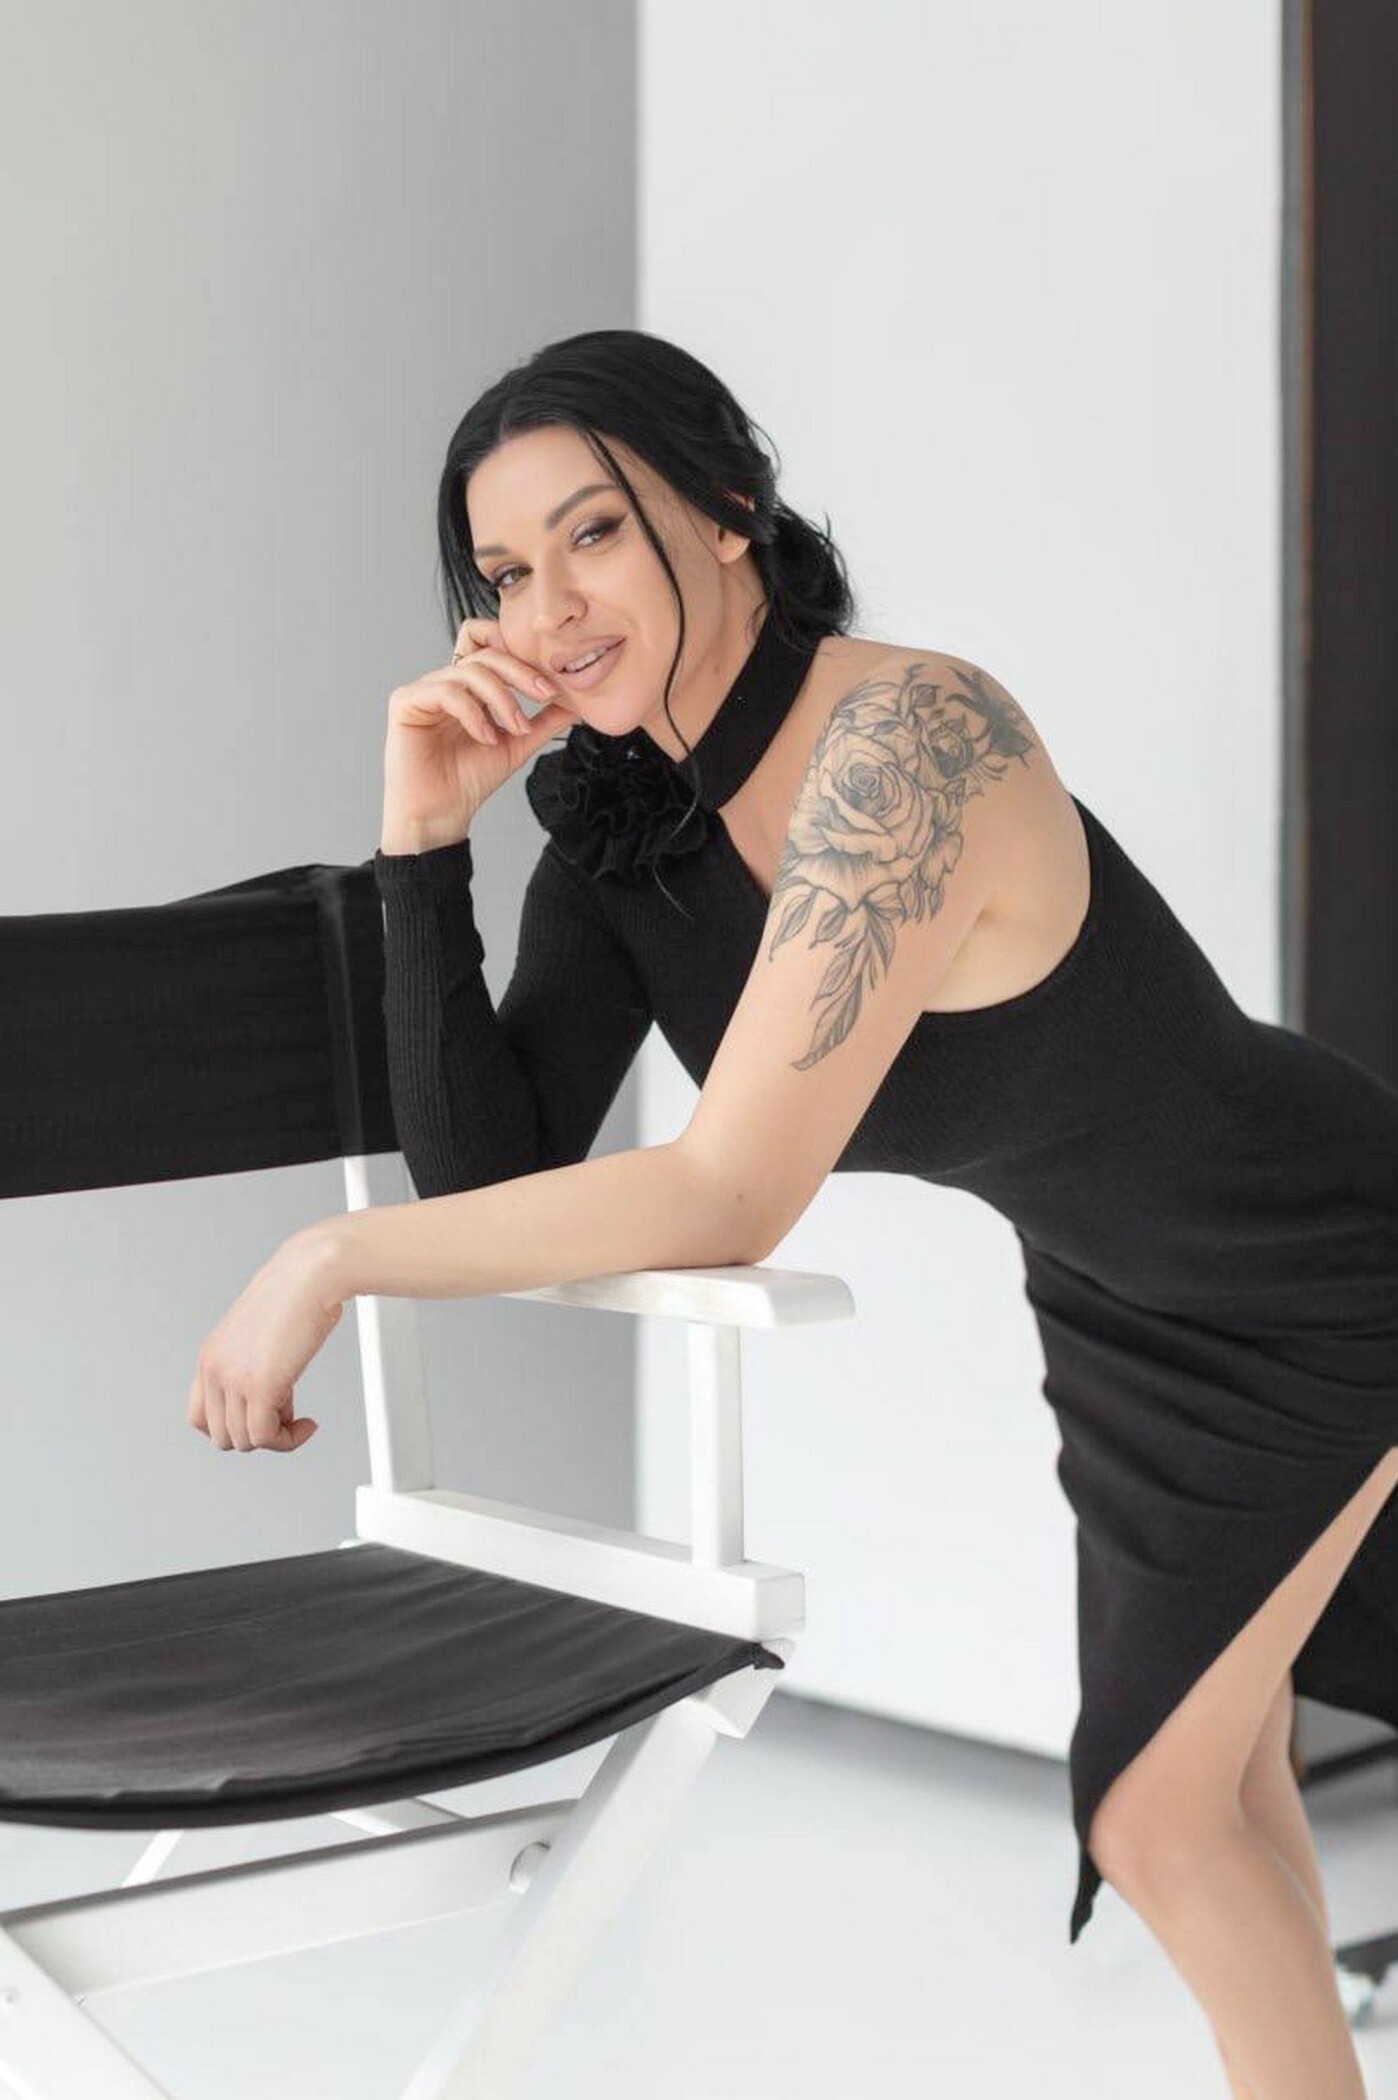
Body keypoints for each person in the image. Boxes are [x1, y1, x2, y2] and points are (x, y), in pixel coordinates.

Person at [372, 328, 1398, 2099]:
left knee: (1157, 1814)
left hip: (1316, 1256)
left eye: (593, 532)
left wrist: (326, 1263)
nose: (550, 606)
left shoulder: (910, 739)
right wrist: (420, 841)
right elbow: (490, 1187)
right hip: (1120, 1306)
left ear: (727, 507)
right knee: (1210, 1784)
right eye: (506, 572)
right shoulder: (622, 838)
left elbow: (725, 1195)